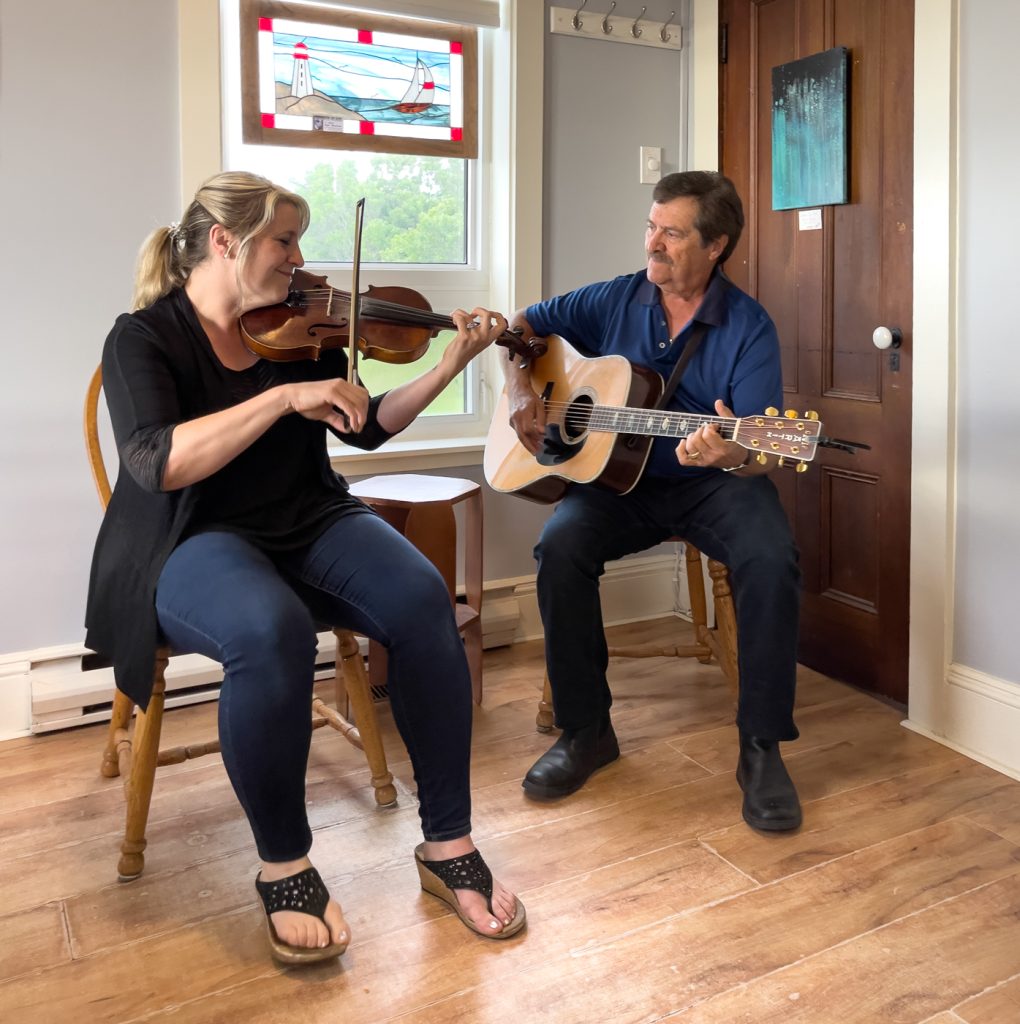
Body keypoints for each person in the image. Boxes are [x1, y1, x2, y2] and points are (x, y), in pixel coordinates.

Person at [85, 171, 525, 965]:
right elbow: (158, 463)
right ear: (226, 241)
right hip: (192, 537)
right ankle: (284, 863)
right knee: (272, 630)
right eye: (284, 241)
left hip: (309, 517)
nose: (299, 260)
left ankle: (447, 842)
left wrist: (450, 360)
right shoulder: (143, 338)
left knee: (423, 600)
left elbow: (368, 427)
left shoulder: (295, 324)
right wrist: (283, 401)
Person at [501, 171, 802, 832]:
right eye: (651, 225)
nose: (653, 243)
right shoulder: (615, 298)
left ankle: (760, 747)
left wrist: (734, 452)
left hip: (714, 486)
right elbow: (521, 328)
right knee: (560, 547)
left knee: (771, 557)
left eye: (672, 232)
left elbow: (759, 446)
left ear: (716, 244)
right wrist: (524, 390)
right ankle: (586, 733)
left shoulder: (749, 327)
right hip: (620, 487)